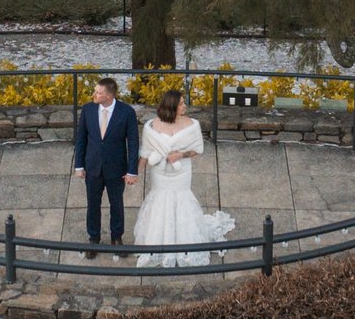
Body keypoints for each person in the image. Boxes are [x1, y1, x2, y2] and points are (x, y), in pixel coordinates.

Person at [131, 89, 236, 268]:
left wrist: (180, 155)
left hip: (182, 173)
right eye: (181, 103)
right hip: (160, 174)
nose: (184, 106)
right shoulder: (151, 126)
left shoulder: (192, 125)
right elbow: (146, 154)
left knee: (182, 200)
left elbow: (197, 149)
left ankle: (184, 242)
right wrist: (135, 174)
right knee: (160, 200)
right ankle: (159, 243)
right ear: (171, 105)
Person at [72, 76, 139, 250]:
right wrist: (79, 165)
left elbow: (133, 143)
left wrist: (132, 170)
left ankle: (117, 237)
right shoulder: (87, 110)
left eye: (98, 92)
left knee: (116, 204)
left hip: (117, 168)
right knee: (92, 204)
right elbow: (81, 139)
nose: (94, 94)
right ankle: (94, 239)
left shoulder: (127, 112)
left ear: (109, 95)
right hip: (92, 166)